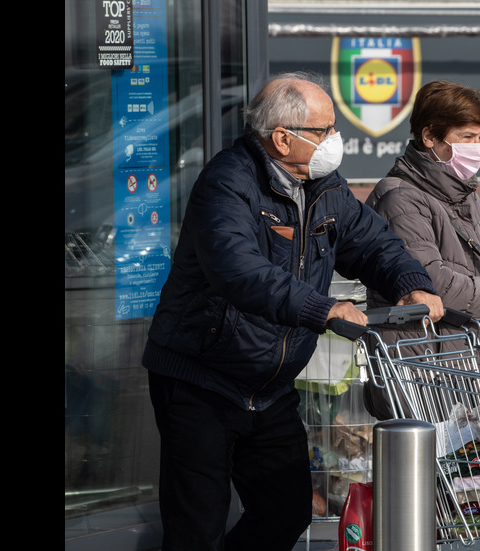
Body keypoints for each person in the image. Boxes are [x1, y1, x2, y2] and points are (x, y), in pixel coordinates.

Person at [142, 71, 443, 550]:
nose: (334, 140)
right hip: (203, 379)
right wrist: (322, 309)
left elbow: (371, 243)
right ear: (283, 138)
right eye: (324, 131)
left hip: (269, 386)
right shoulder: (227, 183)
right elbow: (238, 271)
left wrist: (411, 284)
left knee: (286, 509)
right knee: (196, 526)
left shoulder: (324, 185)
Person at [361, 80, 480, 418]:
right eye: (466, 137)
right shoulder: (400, 198)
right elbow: (432, 282)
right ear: (429, 136)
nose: (476, 148)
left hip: (458, 359)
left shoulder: (464, 192)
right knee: (426, 464)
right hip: (417, 366)